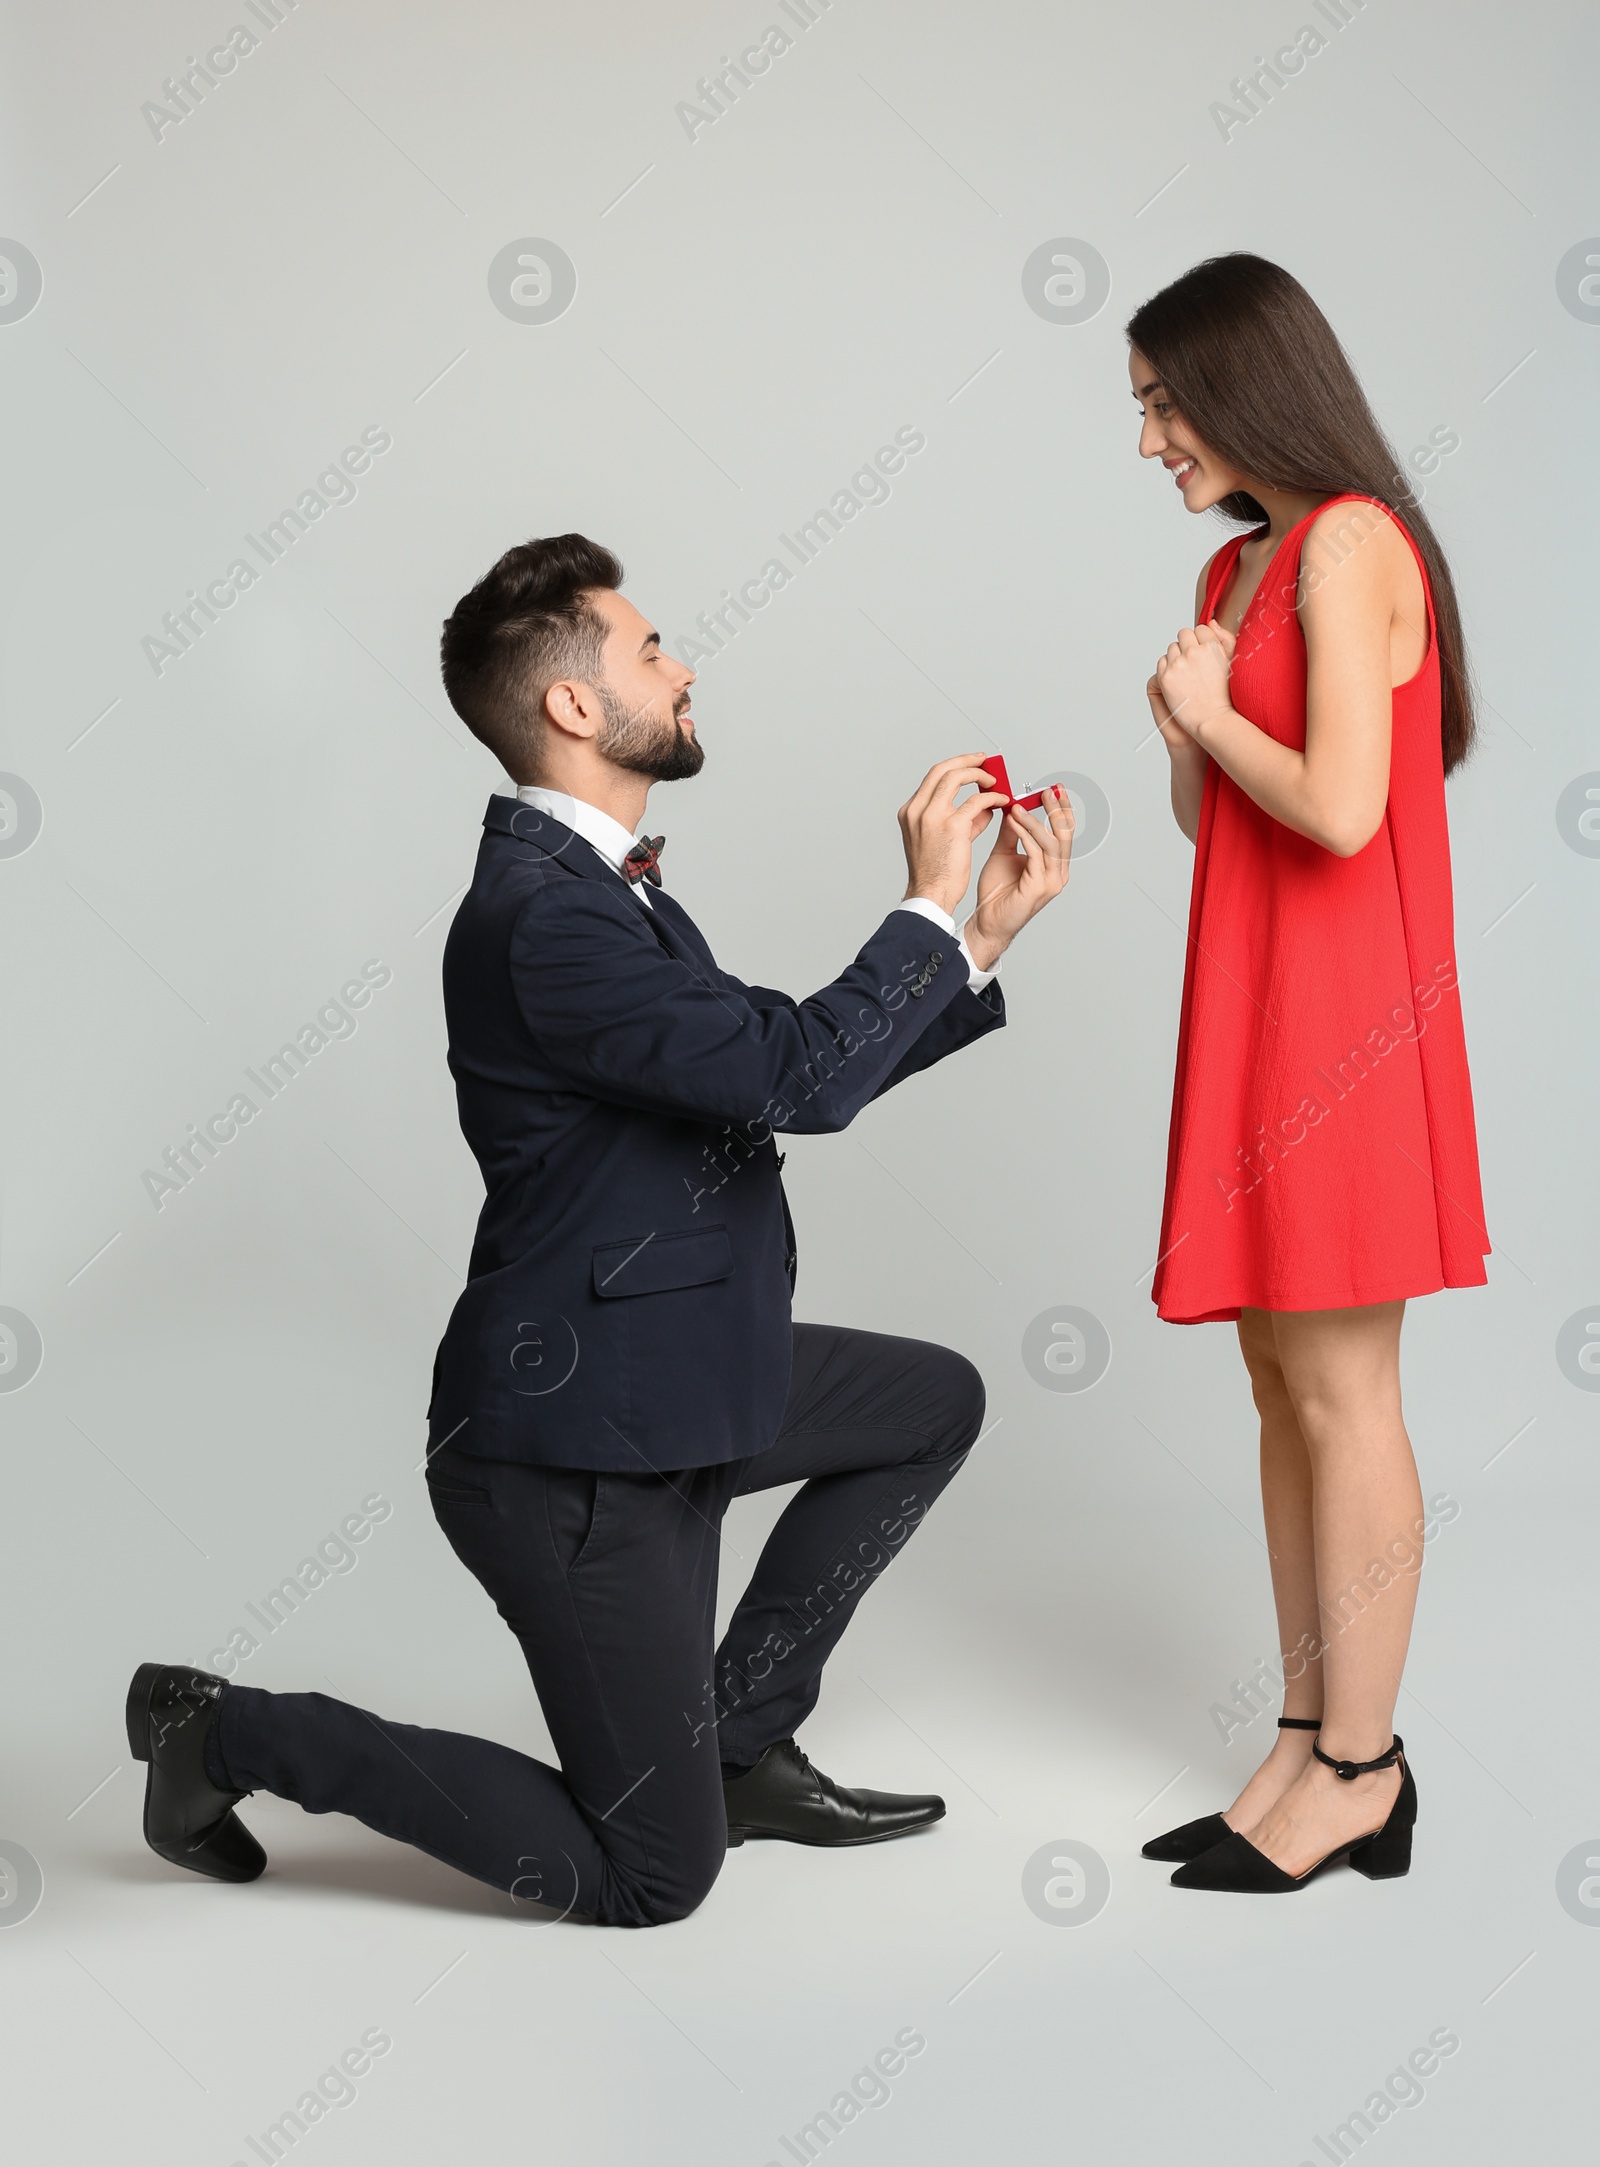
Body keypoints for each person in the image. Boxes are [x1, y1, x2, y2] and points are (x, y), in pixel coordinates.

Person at [125, 533, 1074, 1926]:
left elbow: (790, 1059)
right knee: (649, 1879)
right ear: (574, 706)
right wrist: (926, 902)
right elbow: (799, 1081)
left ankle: (738, 1745)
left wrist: (976, 939)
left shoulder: (613, 901)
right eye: (649, 649)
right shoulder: (543, 923)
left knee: (930, 1400)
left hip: (685, 1373)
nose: (681, 664)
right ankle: (229, 1732)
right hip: (578, 1458)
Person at [1127, 255, 1489, 1893]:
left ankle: (1364, 1768)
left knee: (1346, 1395)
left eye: (1161, 403)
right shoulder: (1234, 574)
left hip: (1346, 1032)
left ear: (1244, 383)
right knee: (1279, 1388)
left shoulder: (1352, 542)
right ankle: (1299, 1740)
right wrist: (1187, 732)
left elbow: (1342, 811)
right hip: (1258, 1011)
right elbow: (1227, 827)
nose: (1150, 442)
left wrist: (1217, 713)